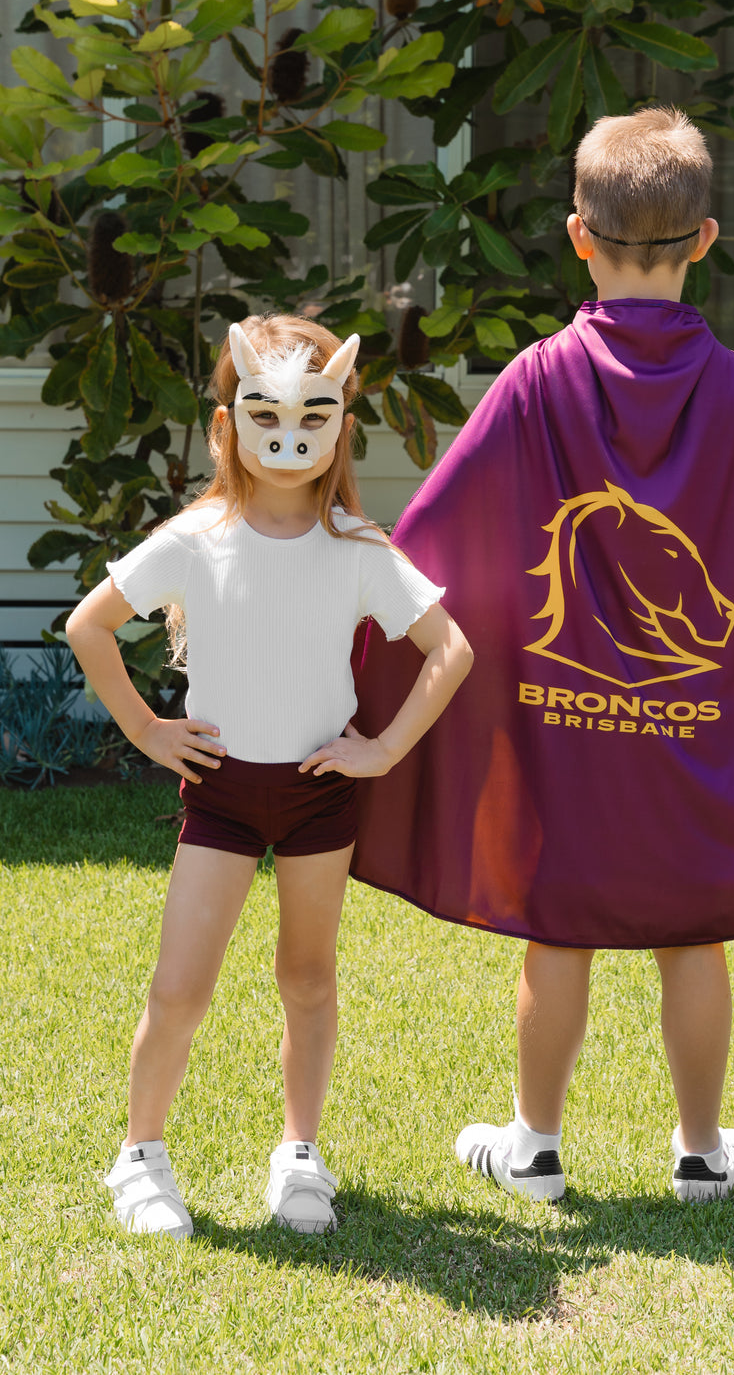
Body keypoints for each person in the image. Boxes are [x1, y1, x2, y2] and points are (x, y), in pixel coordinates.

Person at [349, 107, 734, 1205]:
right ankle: (699, 1154)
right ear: (706, 241)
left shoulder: (535, 379)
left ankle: (533, 1146)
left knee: (558, 927)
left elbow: (432, 541)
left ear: (577, 234)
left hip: (563, 725)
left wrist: (329, 636)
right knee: (695, 929)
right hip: (694, 726)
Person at [66, 314, 473, 1239]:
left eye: (312, 420)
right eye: (264, 418)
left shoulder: (360, 547)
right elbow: (89, 626)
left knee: (308, 978)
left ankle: (299, 1152)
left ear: (338, 426)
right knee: (180, 986)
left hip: (319, 794)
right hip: (220, 796)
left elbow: (450, 648)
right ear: (226, 428)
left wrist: (384, 747)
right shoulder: (194, 537)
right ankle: (141, 1152)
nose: (289, 441)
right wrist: (145, 727)